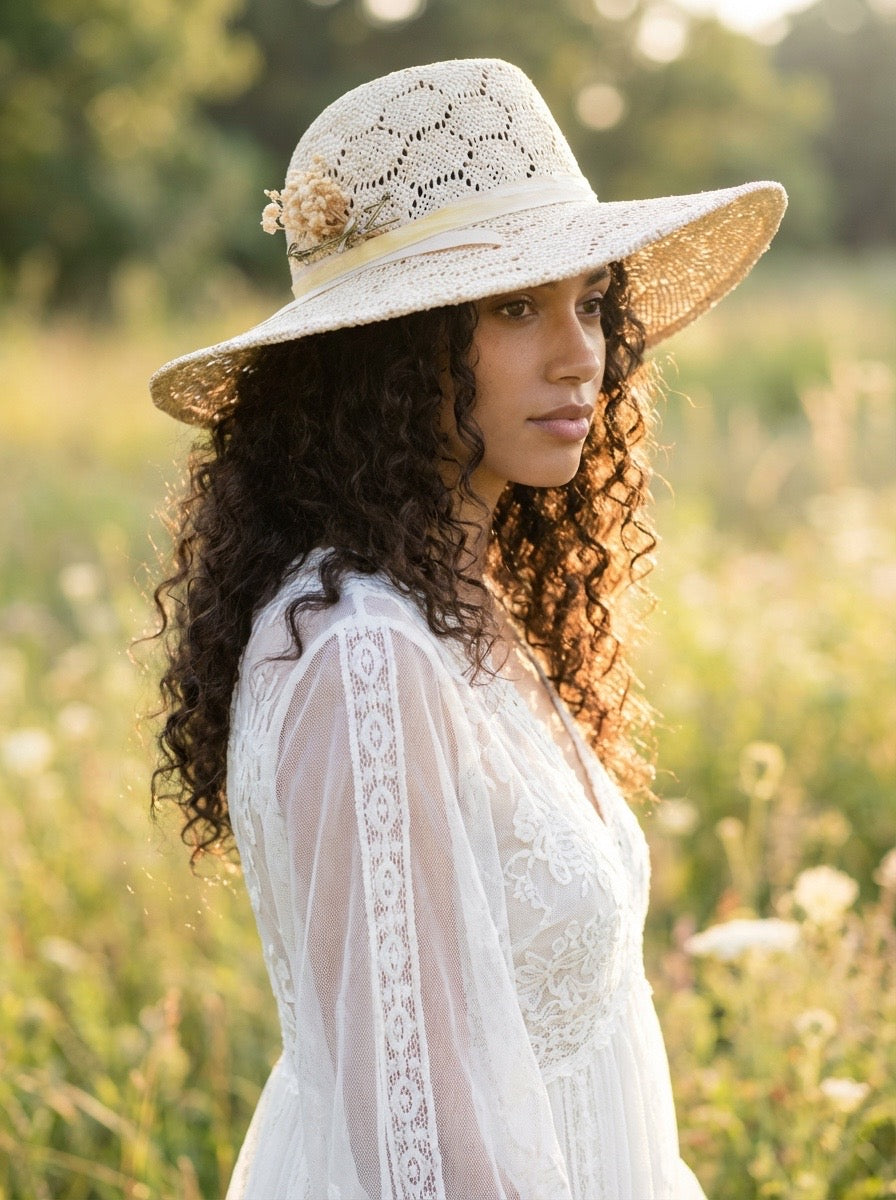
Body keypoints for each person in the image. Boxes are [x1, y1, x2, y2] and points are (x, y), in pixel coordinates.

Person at [149, 58, 785, 1200]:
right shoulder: (365, 656)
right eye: (509, 308)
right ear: (387, 355)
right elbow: (423, 1151)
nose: (579, 353)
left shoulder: (452, 603)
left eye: (588, 302)